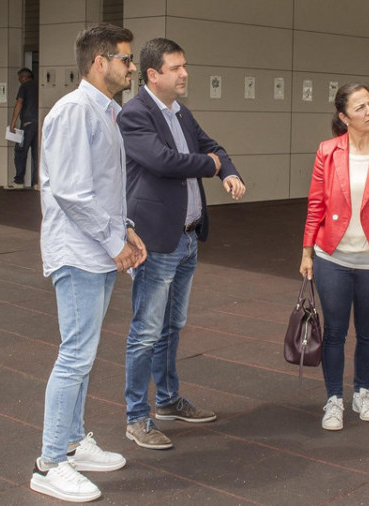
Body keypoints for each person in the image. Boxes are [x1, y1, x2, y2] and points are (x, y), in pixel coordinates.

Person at [31, 24, 146, 502]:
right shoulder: (75, 111)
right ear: (100, 62)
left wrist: (125, 228)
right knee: (75, 355)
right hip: (79, 252)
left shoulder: (105, 111)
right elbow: (73, 192)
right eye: (125, 58)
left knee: (82, 354)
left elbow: (101, 187)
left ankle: (73, 444)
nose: (132, 66)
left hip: (95, 249)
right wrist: (111, 238)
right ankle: (51, 461)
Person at [118, 38, 245, 449]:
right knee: (145, 332)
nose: (184, 73)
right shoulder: (134, 114)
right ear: (153, 74)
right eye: (176, 68)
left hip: (188, 238)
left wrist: (226, 168)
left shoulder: (179, 112)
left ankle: (168, 401)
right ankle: (137, 417)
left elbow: (213, 147)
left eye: (184, 65)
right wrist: (210, 166)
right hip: (157, 242)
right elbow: (164, 162)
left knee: (172, 326)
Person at [300, 82, 369, 432]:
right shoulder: (328, 151)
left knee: (368, 331)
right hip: (331, 255)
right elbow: (316, 203)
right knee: (334, 331)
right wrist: (307, 252)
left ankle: (362, 392)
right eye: (360, 107)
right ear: (343, 117)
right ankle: (334, 398)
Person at [9, 67, 39, 189]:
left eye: (20, 79)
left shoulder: (24, 87)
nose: (20, 81)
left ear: (24, 78)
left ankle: (19, 181)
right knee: (37, 154)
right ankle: (36, 183)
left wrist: (13, 123)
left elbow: (19, 103)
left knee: (20, 151)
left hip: (27, 123)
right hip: (39, 123)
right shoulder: (39, 85)